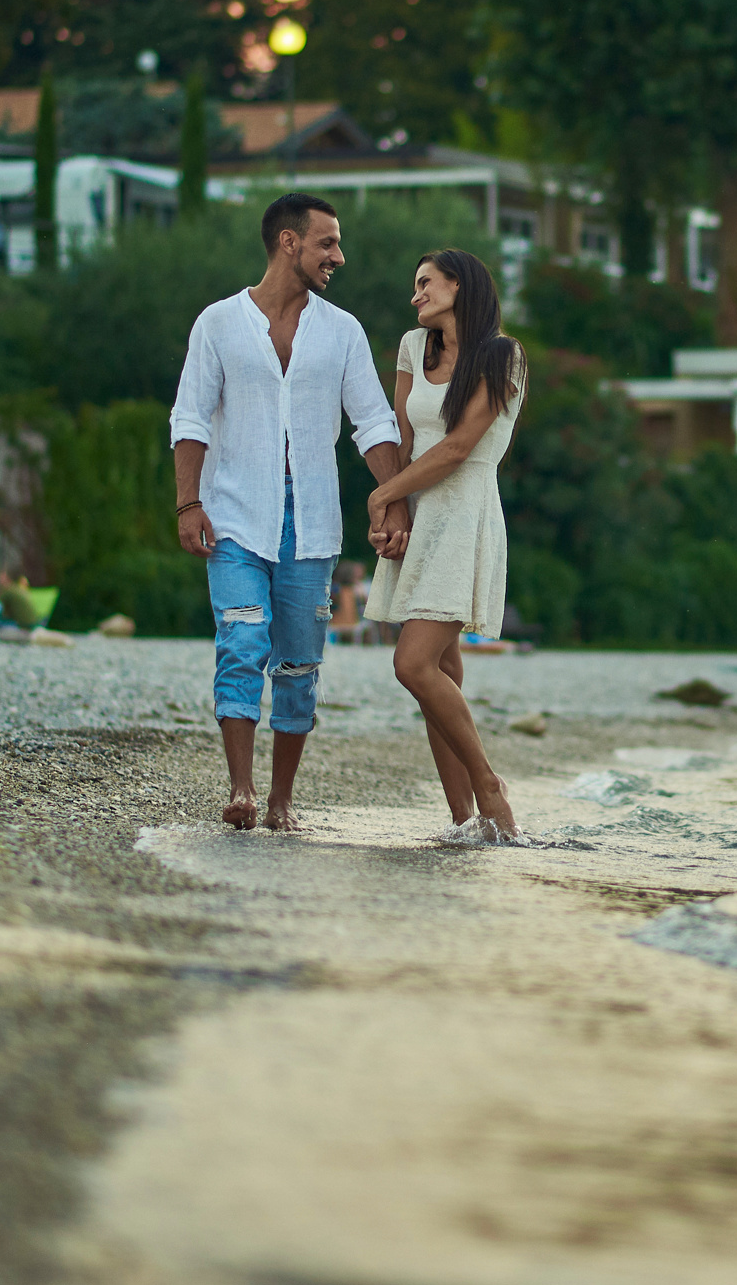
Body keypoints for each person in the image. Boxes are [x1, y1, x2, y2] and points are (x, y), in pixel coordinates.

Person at [171, 192, 408, 833]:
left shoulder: (343, 331)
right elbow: (189, 416)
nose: (339, 255)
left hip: (312, 521)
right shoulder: (218, 323)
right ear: (288, 243)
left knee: (299, 664)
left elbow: (373, 423)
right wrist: (188, 500)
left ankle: (282, 800)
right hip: (234, 515)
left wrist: (394, 506)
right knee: (242, 641)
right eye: (327, 243)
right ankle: (242, 790)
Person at [363, 248, 528, 843]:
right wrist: (395, 507)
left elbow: (459, 447)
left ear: (459, 286)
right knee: (439, 670)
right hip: (420, 513)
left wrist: (380, 498)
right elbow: (406, 438)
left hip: (464, 514)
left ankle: (489, 786)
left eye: (425, 284)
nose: (416, 295)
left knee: (412, 664)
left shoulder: (501, 355)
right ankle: (464, 822)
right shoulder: (414, 346)